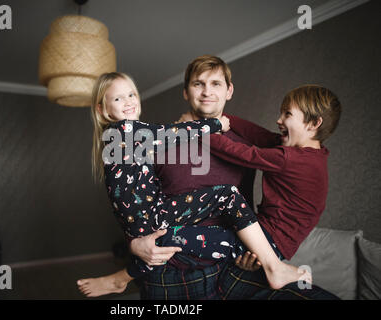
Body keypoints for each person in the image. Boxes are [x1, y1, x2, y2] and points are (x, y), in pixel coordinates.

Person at [77, 71, 309, 297]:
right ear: (102, 109)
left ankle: (123, 278)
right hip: (154, 229)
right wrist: (215, 125)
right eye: (118, 98)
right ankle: (274, 267)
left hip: (175, 236)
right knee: (226, 195)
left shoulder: (128, 140)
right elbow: (170, 133)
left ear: (229, 90)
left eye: (132, 95)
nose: (128, 102)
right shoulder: (124, 131)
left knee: (201, 238)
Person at [129, 55, 340, 300]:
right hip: (170, 272)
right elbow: (133, 202)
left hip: (232, 266)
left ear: (228, 91)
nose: (207, 91)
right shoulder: (157, 143)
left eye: (216, 84)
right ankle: (123, 277)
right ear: (186, 92)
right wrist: (134, 244)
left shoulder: (258, 149)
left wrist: (255, 253)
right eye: (198, 83)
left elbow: (244, 207)